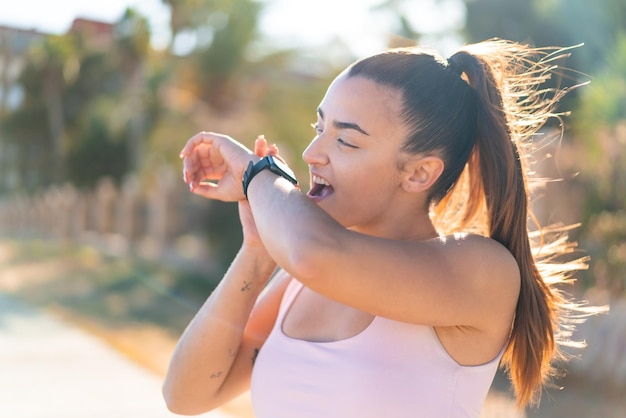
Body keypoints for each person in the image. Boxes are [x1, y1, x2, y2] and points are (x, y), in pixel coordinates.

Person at [163, 39, 590, 417]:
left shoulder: (481, 270)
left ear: (420, 173)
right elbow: (186, 395)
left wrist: (259, 173)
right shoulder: (300, 278)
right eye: (320, 128)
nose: (312, 154)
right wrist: (257, 253)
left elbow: (312, 253)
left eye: (345, 140)